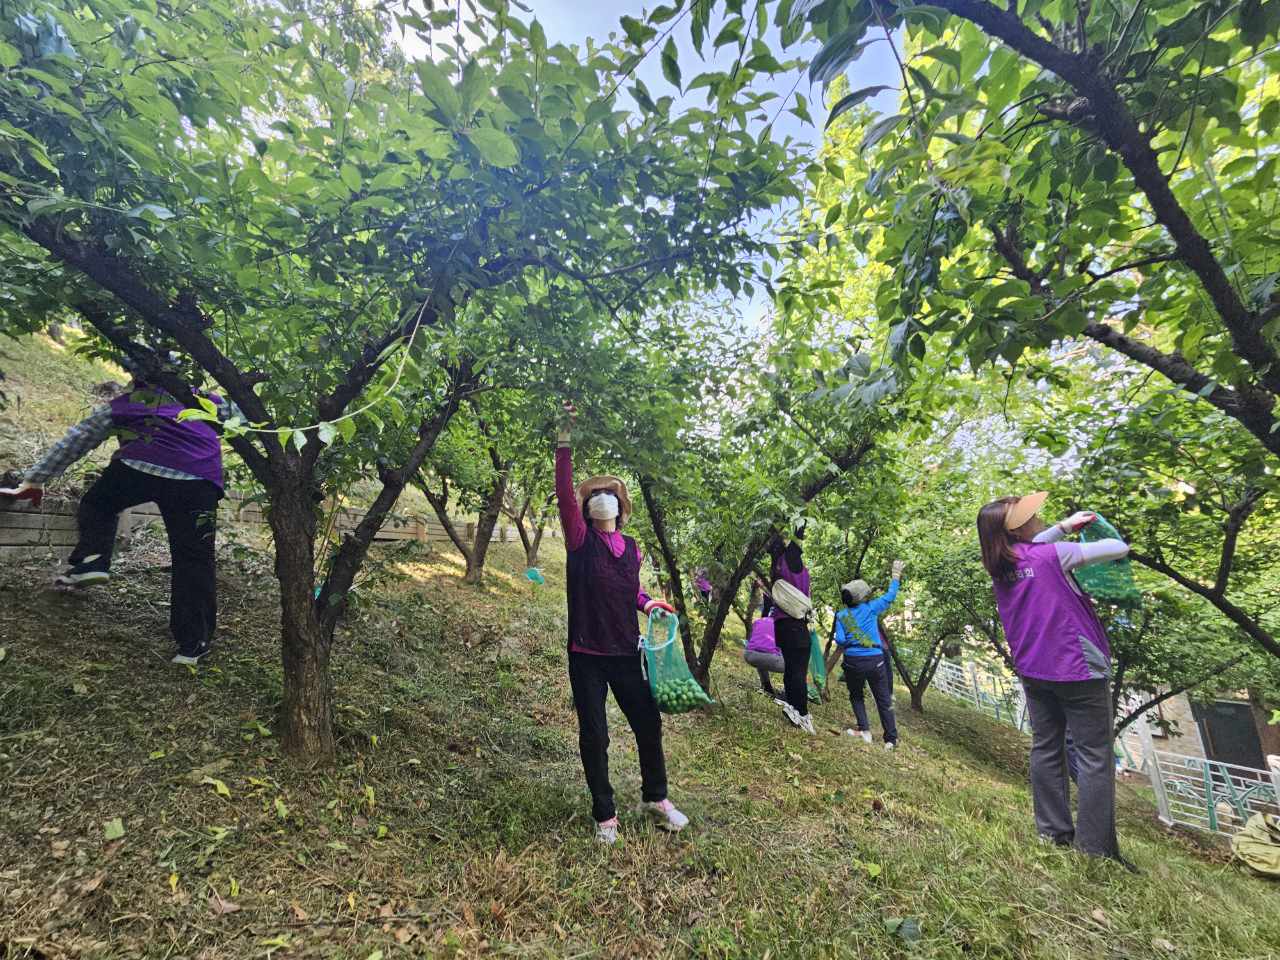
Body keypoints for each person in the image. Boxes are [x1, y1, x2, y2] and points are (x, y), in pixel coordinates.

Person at [0, 373, 230, 665]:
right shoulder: (207, 400)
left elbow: (78, 439)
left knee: (98, 504)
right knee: (194, 560)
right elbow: (244, 424)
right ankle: (192, 645)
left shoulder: (128, 402)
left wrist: (34, 480)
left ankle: (92, 560)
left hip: (137, 468)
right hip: (198, 481)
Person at [977, 491, 1135, 868]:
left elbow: (1034, 547)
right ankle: (1095, 849)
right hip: (1077, 666)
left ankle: (1052, 832)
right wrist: (1087, 529)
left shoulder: (1000, 564)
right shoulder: (1051, 556)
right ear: (1017, 530)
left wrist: (1065, 527)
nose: (1038, 520)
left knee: (1046, 747)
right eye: (1031, 517)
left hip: (1034, 668)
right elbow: (1118, 547)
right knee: (1094, 755)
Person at [555, 404, 687, 844]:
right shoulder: (580, 540)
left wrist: (650, 603)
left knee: (648, 723)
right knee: (595, 734)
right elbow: (563, 492)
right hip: (588, 655)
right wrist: (564, 442)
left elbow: (628, 589)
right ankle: (605, 815)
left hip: (626, 653)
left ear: (620, 505)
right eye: (595, 495)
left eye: (609, 493)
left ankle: (656, 798)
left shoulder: (631, 548)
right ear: (588, 507)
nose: (602, 498)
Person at [834, 561, 905, 749]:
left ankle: (864, 730)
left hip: (853, 662)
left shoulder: (841, 616)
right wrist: (895, 576)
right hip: (875, 660)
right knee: (883, 699)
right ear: (863, 597)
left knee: (856, 695)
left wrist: (852, 641)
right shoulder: (871, 608)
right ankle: (890, 739)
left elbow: (840, 640)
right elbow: (890, 597)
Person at [768, 526, 813, 734]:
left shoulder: (776, 566)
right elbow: (798, 535)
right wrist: (801, 510)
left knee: (791, 668)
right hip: (796, 626)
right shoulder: (790, 562)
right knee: (798, 670)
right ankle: (802, 714)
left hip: (782, 626)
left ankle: (793, 707)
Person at [743, 616, 785, 701]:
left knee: (762, 651)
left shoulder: (760, 620)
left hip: (749, 655)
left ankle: (766, 686)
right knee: (796, 666)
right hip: (768, 658)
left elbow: (755, 639)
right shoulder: (784, 625)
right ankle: (787, 694)